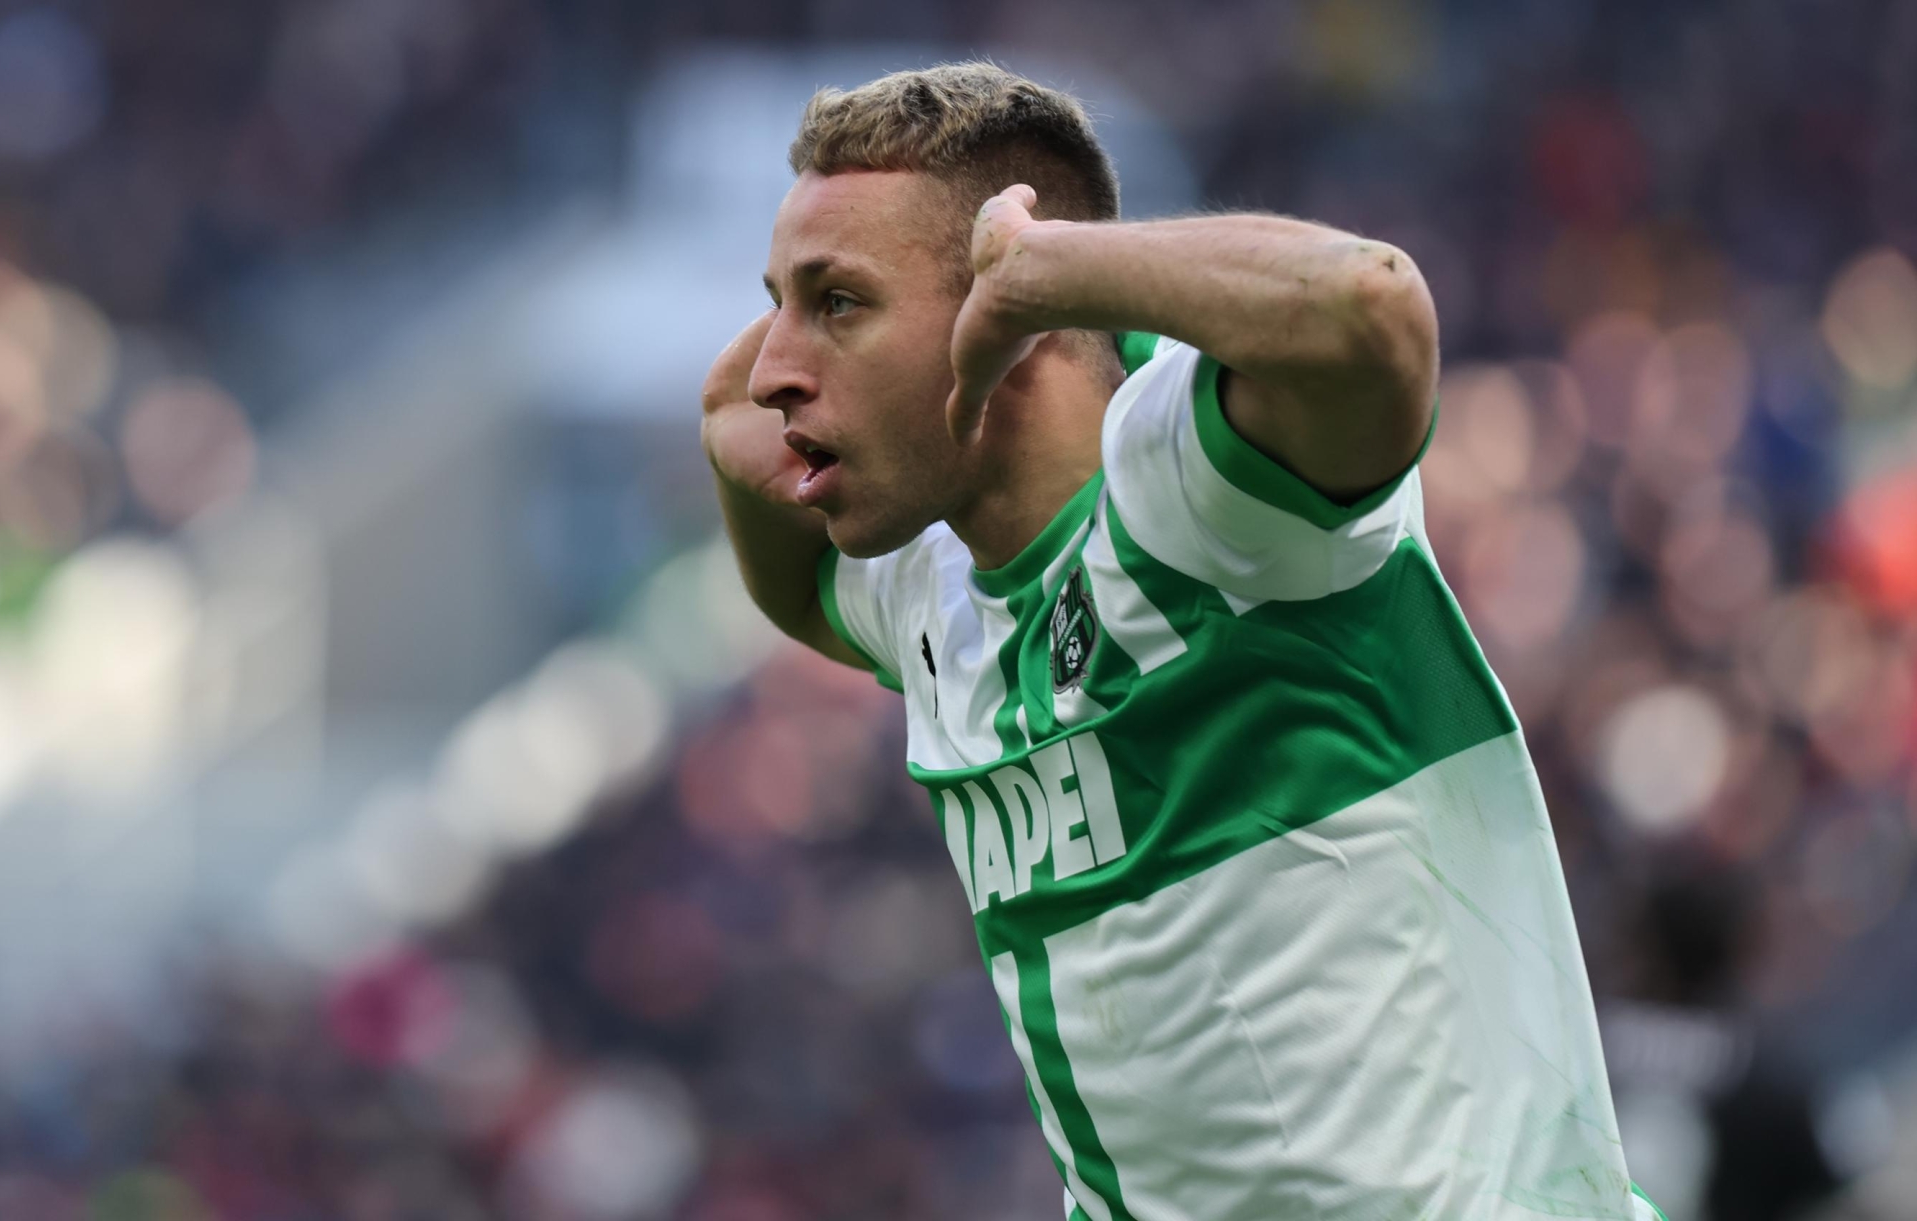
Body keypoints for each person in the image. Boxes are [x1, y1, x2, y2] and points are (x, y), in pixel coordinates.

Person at [701, 61, 1663, 1220]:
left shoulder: (1202, 493)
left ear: (1016, 314)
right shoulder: (924, 589)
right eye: (780, 303)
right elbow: (731, 427)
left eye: (839, 303)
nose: (773, 368)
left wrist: (1055, 269)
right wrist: (847, 302)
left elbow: (1370, 299)